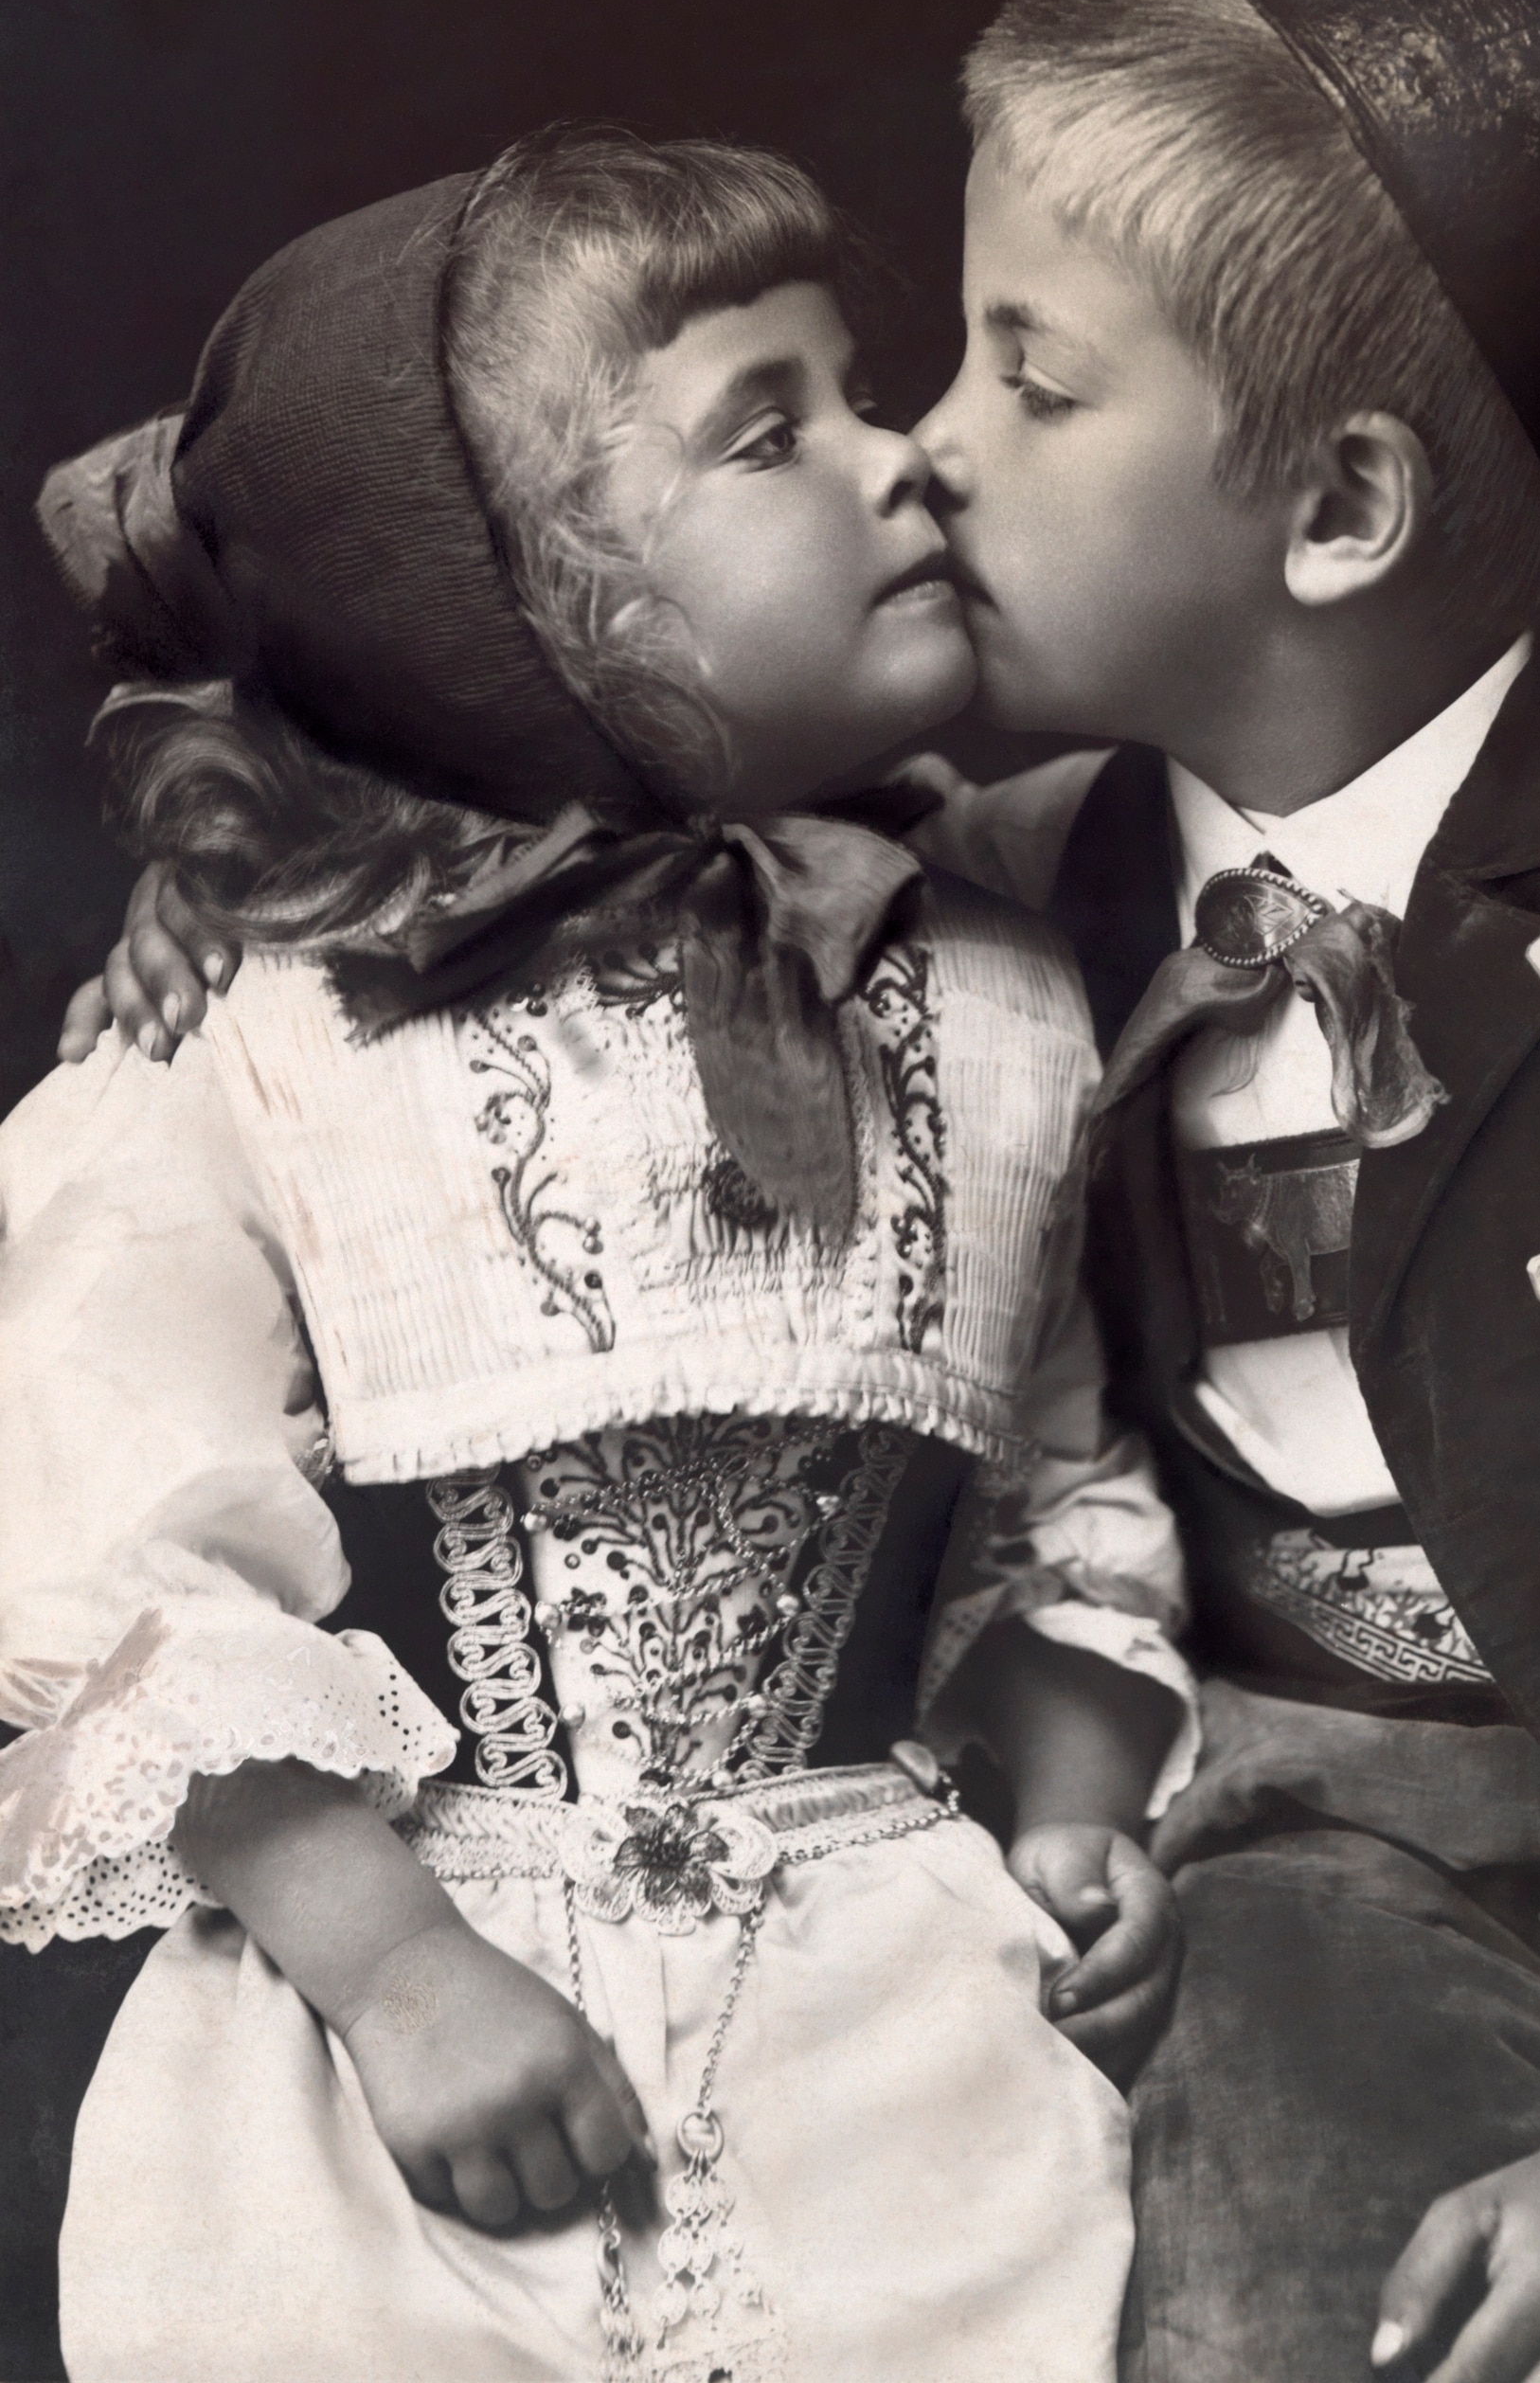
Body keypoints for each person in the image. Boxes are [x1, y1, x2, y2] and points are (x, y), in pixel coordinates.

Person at [92, 0, 1540, 2383]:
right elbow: (552, 787)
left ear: (1343, 505)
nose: (931, 445)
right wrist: (227, 900)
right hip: (1307, 1830)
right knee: (1260, 2305)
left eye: (1023, 380)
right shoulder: (1005, 883)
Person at [2, 124, 1191, 2383]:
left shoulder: (1011, 997)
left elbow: (1047, 1485)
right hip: (398, 2032)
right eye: (777, 431)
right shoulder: (271, 1026)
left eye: (866, 392)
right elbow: (99, 1512)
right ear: (523, 601)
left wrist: (1072, 1800)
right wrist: (394, 1970)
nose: (906, 461)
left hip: (895, 2037)